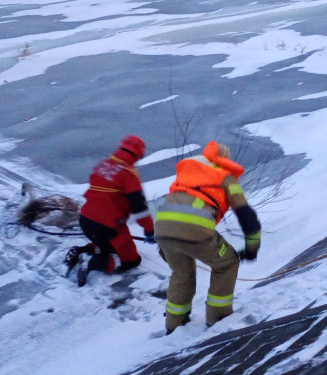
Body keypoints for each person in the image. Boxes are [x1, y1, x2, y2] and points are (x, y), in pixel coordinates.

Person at [154, 141, 261, 333]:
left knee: (182, 272)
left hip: (162, 228)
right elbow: (246, 214)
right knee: (227, 264)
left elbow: (175, 204)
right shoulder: (226, 177)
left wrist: (163, 244)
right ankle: (218, 318)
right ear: (224, 159)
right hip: (196, 229)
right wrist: (252, 247)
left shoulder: (187, 171)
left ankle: (174, 324)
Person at [66, 134, 155, 287]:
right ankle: (92, 263)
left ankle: (80, 251)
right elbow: (139, 208)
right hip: (107, 226)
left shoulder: (104, 164)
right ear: (137, 154)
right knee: (132, 260)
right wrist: (149, 231)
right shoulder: (128, 175)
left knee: (106, 246)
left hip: (86, 219)